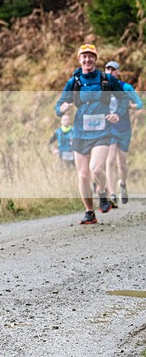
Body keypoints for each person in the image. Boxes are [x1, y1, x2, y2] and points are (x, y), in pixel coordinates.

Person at [55, 43, 128, 225]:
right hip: (80, 133)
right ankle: (89, 212)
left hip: (102, 132)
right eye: (84, 56)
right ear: (79, 59)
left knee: (95, 169)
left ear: (95, 59)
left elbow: (123, 98)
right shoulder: (74, 82)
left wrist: (117, 114)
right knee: (83, 175)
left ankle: (102, 192)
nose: (87, 59)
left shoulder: (106, 79)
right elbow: (59, 105)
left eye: (91, 56)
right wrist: (62, 108)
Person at [103, 60, 143, 206]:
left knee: (122, 164)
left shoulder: (126, 87)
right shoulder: (103, 88)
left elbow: (140, 104)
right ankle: (112, 194)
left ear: (118, 72)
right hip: (109, 128)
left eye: (113, 70)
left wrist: (128, 106)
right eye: (107, 69)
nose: (110, 72)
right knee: (110, 160)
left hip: (124, 128)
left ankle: (123, 184)